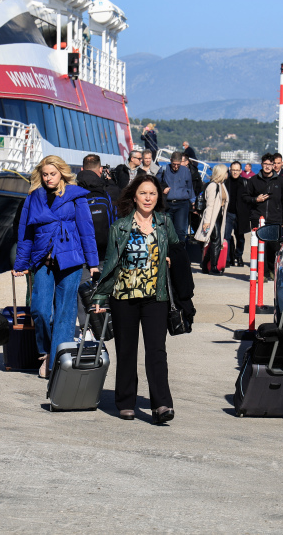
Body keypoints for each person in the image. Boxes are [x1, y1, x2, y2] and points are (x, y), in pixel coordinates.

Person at [91, 174, 178, 424]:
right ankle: (126, 402)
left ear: (158, 196)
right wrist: (100, 295)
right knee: (126, 351)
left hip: (156, 297)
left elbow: (177, 249)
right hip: (124, 296)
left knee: (156, 351)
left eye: (152, 193)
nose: (148, 198)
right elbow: (110, 265)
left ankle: (161, 404)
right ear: (134, 196)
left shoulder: (164, 223)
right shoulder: (120, 227)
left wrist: (170, 259)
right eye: (143, 193)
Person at [12, 156, 100, 378]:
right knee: (40, 310)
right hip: (42, 260)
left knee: (65, 311)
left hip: (70, 259)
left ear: (61, 173)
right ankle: (46, 352)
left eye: (52, 173)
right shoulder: (34, 197)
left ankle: (57, 359)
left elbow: (86, 230)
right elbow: (25, 233)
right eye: (45, 174)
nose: (48, 178)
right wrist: (21, 263)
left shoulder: (75, 195)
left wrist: (93, 263)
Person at [76, 153, 121, 325]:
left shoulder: (75, 191)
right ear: (100, 169)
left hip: (83, 249)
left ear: (81, 170)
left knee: (83, 287)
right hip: (105, 246)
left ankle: (85, 326)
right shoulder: (108, 191)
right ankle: (108, 321)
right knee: (106, 284)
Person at [243, 153, 283, 280]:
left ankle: (271, 270)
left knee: (273, 247)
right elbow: (245, 197)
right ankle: (262, 273)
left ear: (274, 165)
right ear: (261, 164)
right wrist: (255, 199)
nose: (267, 167)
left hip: (275, 218)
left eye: (270, 164)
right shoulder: (253, 180)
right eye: (265, 164)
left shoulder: (280, 181)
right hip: (258, 218)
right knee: (259, 247)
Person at [195, 164, 229, 274]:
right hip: (212, 217)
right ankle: (213, 267)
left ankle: (205, 265)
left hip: (218, 216)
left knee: (215, 241)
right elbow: (209, 205)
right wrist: (207, 221)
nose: (227, 174)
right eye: (226, 172)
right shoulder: (213, 186)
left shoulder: (221, 185)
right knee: (216, 240)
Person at [157, 151, 195, 244]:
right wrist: (162, 189)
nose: (176, 167)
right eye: (174, 164)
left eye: (178, 164)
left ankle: (180, 251)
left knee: (181, 230)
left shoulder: (186, 171)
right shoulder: (164, 169)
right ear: (170, 161)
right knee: (166, 230)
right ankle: (168, 252)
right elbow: (156, 184)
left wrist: (193, 201)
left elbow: (190, 187)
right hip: (168, 204)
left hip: (182, 204)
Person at [226, 161, 250, 267]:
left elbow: (249, 198)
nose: (235, 172)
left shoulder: (245, 182)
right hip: (228, 213)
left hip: (241, 214)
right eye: (233, 170)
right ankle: (227, 258)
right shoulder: (225, 182)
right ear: (230, 170)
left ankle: (238, 256)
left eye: (237, 170)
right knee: (226, 237)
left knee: (240, 237)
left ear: (241, 171)